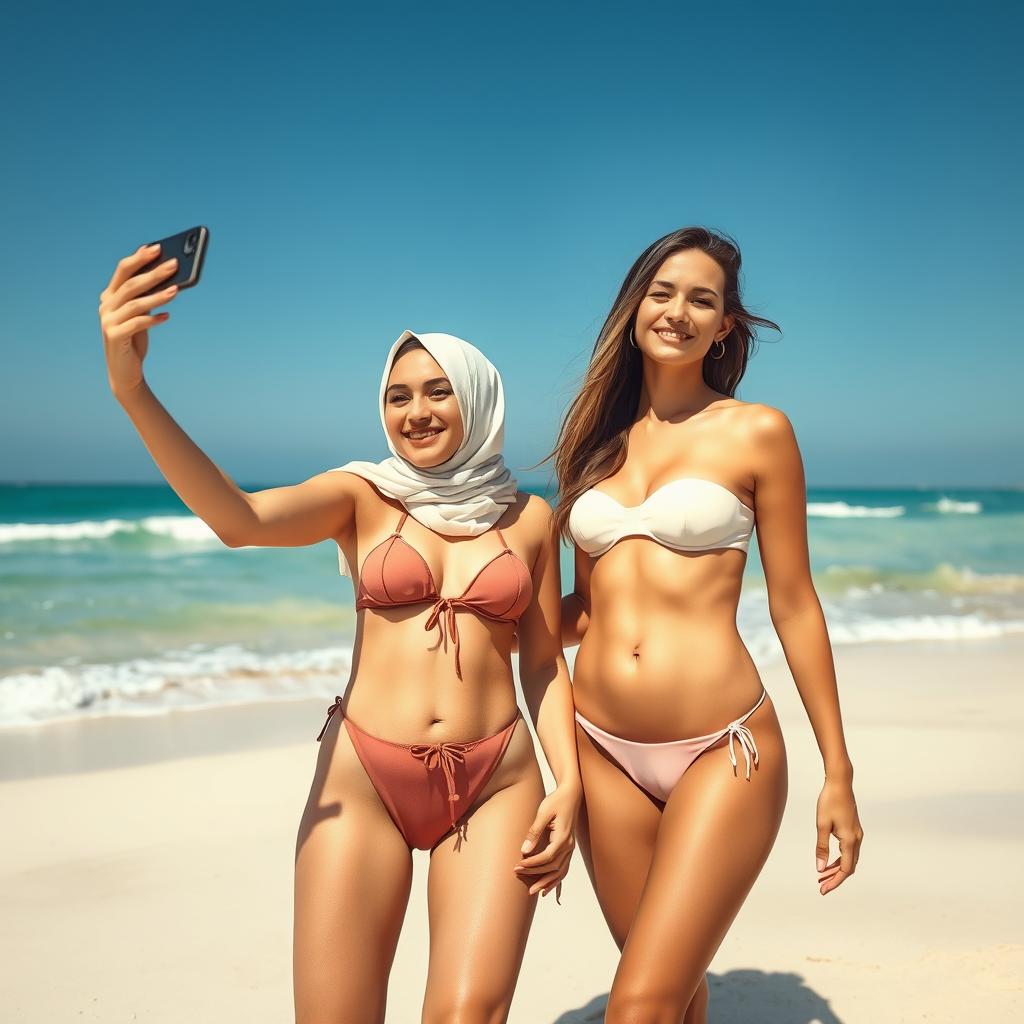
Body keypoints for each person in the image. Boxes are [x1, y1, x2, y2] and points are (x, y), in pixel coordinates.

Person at [98, 244, 581, 1024]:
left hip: (498, 781)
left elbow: (543, 666)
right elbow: (239, 520)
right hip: (364, 780)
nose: (414, 412)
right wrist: (132, 389)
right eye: (396, 396)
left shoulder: (530, 518)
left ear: (479, 400)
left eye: (437, 392)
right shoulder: (361, 495)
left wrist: (572, 782)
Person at [549, 226, 864, 1023]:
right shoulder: (594, 449)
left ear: (725, 324)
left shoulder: (757, 432)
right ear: (633, 308)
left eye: (702, 299)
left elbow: (794, 602)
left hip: (725, 748)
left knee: (639, 1004)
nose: (678, 312)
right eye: (662, 293)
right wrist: (460, 608)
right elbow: (584, 611)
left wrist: (839, 770)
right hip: (602, 752)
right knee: (673, 994)